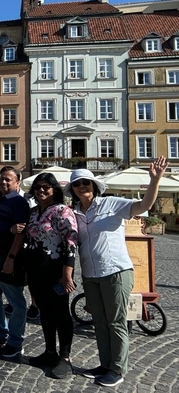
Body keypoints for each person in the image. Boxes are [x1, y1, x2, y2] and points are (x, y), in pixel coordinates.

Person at [65, 159, 167, 388]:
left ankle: (118, 369)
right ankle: (105, 364)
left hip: (116, 272)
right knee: (100, 322)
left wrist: (155, 180)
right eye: (77, 184)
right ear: (72, 189)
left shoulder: (111, 203)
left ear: (94, 185)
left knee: (116, 322)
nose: (82, 186)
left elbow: (143, 205)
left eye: (86, 183)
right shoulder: (74, 214)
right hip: (91, 275)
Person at [25, 173, 78, 379]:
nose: (41, 190)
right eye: (38, 187)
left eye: (46, 187)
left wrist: (67, 273)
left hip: (56, 271)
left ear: (54, 189)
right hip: (36, 270)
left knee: (61, 313)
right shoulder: (33, 212)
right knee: (45, 312)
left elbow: (71, 241)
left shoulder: (62, 211)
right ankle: (49, 352)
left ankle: (64, 358)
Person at [0, 166, 31, 359]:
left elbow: (20, 233)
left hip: (7, 257)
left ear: (18, 182)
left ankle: (16, 341)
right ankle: (1, 333)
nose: (4, 182)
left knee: (15, 301)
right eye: (2, 179)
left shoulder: (19, 203)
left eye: (8, 179)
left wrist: (10, 259)